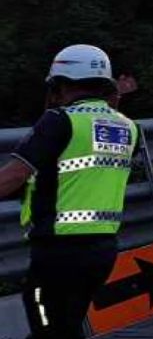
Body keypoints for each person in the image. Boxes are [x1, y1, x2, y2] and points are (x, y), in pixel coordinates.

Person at [0, 45, 138, 338]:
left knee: (45, 321)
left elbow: (14, 175)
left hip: (58, 250)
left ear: (60, 83)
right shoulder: (128, 128)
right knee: (65, 324)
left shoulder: (59, 121)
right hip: (103, 249)